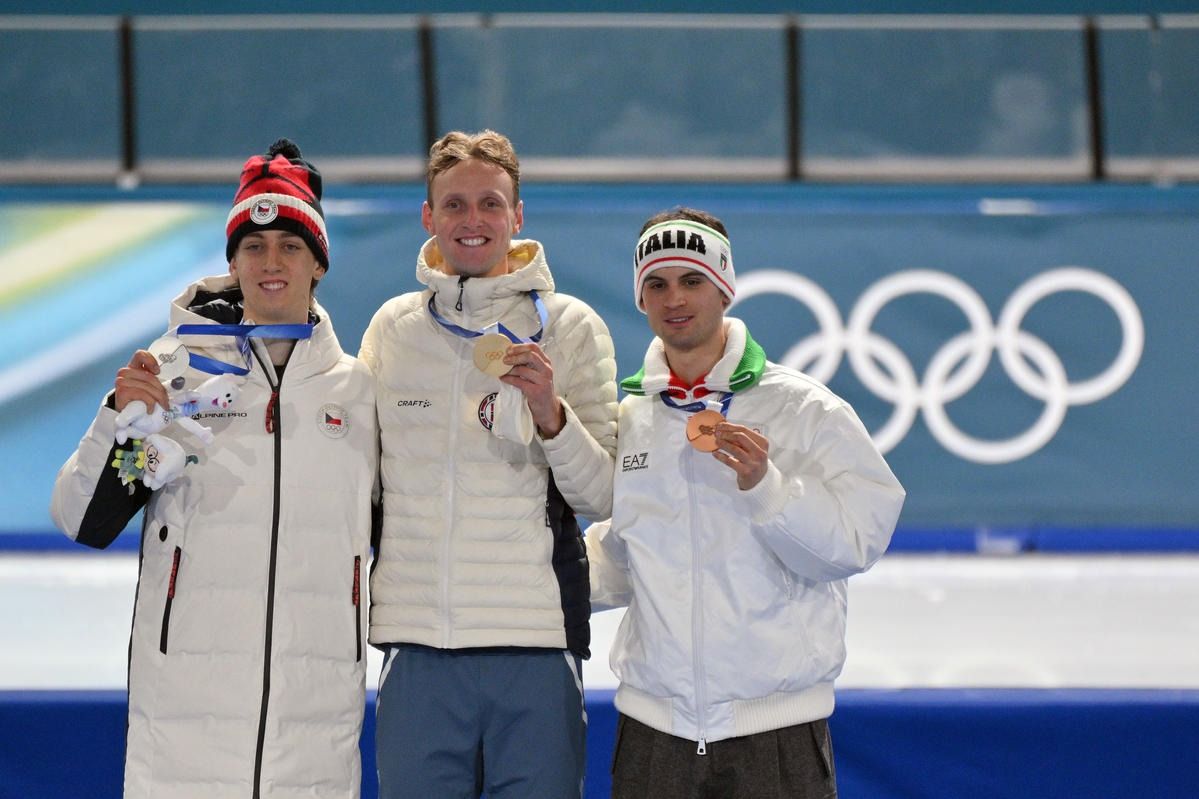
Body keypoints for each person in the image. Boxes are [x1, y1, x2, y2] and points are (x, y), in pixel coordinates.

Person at [50, 139, 378, 799]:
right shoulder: (174, 373)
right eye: (253, 246)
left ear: (318, 262)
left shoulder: (358, 392)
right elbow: (83, 520)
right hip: (183, 721)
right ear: (232, 262)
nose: (271, 262)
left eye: (289, 245)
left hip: (312, 720)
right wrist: (118, 418)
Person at [586, 207, 906, 798]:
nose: (674, 299)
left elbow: (857, 541)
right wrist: (538, 577)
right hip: (653, 731)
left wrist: (769, 488)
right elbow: (627, 554)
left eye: (692, 280)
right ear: (640, 299)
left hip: (775, 731)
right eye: (656, 284)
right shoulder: (630, 418)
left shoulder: (806, 410)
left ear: (724, 288)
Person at [359, 129, 617, 798]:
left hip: (533, 642)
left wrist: (551, 414)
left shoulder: (571, 326)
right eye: (454, 204)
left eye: (490, 203)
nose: (471, 220)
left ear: (517, 215)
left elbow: (603, 495)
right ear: (428, 216)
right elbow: (357, 481)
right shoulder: (394, 329)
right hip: (417, 643)